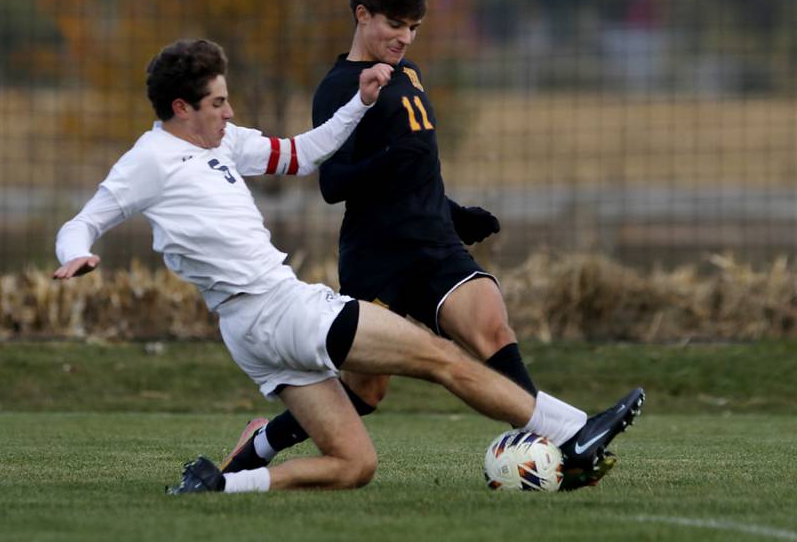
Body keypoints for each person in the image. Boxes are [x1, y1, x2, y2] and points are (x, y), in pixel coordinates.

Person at [52, 38, 641, 494]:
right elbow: (84, 220)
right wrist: (74, 253)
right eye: (217, 102)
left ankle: (221, 484)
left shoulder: (222, 143)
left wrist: (359, 104)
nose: (229, 111)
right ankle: (572, 429)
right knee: (440, 357)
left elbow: (303, 154)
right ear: (181, 108)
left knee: (354, 465)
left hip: (250, 332)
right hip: (278, 310)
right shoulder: (149, 158)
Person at [219, 0, 644, 492]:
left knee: (491, 327)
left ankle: (563, 445)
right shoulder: (338, 87)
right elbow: (334, 184)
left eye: (414, 27)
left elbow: (416, 168)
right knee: (364, 393)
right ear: (362, 14)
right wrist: (391, 161)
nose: (405, 38)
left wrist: (452, 210)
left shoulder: (409, 74)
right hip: (378, 257)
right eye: (395, 25)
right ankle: (259, 443)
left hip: (434, 241)